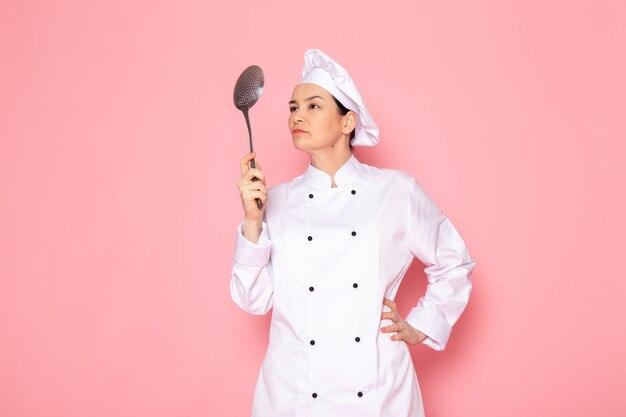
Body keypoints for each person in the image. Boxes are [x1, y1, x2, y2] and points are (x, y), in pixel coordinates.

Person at [230, 49, 476, 417]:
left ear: (348, 123)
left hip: (377, 392)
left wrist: (422, 325)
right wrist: (252, 220)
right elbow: (253, 301)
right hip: (293, 395)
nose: (297, 115)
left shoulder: (395, 191)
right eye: (293, 107)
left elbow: (454, 262)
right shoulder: (273, 201)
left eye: (313, 106)